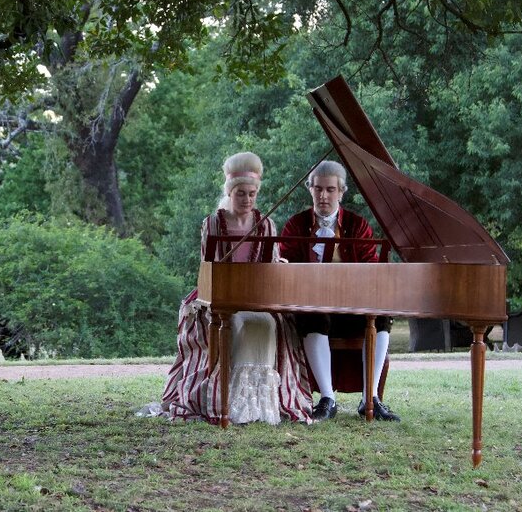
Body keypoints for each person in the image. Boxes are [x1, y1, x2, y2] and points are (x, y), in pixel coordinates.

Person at [159, 152, 314, 425]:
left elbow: (269, 268)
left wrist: (279, 264)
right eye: (241, 193)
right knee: (233, 322)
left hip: (257, 298)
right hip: (219, 296)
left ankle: (258, 406)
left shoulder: (266, 225)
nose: (248, 199)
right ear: (230, 192)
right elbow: (208, 268)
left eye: (252, 193)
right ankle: (223, 400)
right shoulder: (212, 224)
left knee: (268, 324)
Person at [280, 160, 400, 422]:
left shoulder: (358, 226)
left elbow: (372, 269)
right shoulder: (295, 226)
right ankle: (327, 398)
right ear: (309, 189)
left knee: (381, 317)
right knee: (313, 315)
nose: (324, 195)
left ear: (341, 192)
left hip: (351, 309)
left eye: (330, 190)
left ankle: (371, 398)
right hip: (313, 308)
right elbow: (284, 267)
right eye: (318, 189)